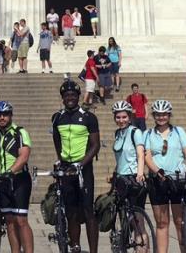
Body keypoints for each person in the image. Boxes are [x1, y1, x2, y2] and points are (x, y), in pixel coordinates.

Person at [143, 100, 186, 253]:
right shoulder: (148, 134)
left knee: (181, 222)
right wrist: (157, 170)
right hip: (158, 182)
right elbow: (147, 156)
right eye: (158, 115)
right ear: (154, 116)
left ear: (169, 115)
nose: (161, 117)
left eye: (164, 114)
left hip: (178, 181)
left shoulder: (179, 131)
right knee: (161, 222)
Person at [52, 78, 100, 253]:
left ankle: (93, 250)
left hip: (83, 168)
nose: (70, 98)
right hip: (66, 168)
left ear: (78, 96)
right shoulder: (58, 118)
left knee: (88, 210)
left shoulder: (89, 117)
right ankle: (75, 246)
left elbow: (95, 145)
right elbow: (57, 140)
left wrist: (81, 164)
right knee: (71, 211)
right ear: (63, 98)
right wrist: (61, 159)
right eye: (66, 95)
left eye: (73, 95)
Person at [0, 101, 34, 253]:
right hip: (3, 180)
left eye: (5, 114)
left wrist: (11, 171)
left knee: (21, 220)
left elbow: (24, 156)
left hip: (19, 179)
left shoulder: (20, 132)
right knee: (9, 220)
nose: (2, 117)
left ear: (11, 115)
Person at [109, 101, 149, 252]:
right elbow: (120, 158)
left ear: (130, 116)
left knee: (138, 222)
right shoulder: (118, 133)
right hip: (120, 179)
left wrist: (139, 173)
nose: (121, 120)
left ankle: (142, 249)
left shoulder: (135, 132)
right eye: (118, 117)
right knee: (123, 218)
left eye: (124, 117)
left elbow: (140, 154)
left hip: (133, 178)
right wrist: (114, 173)